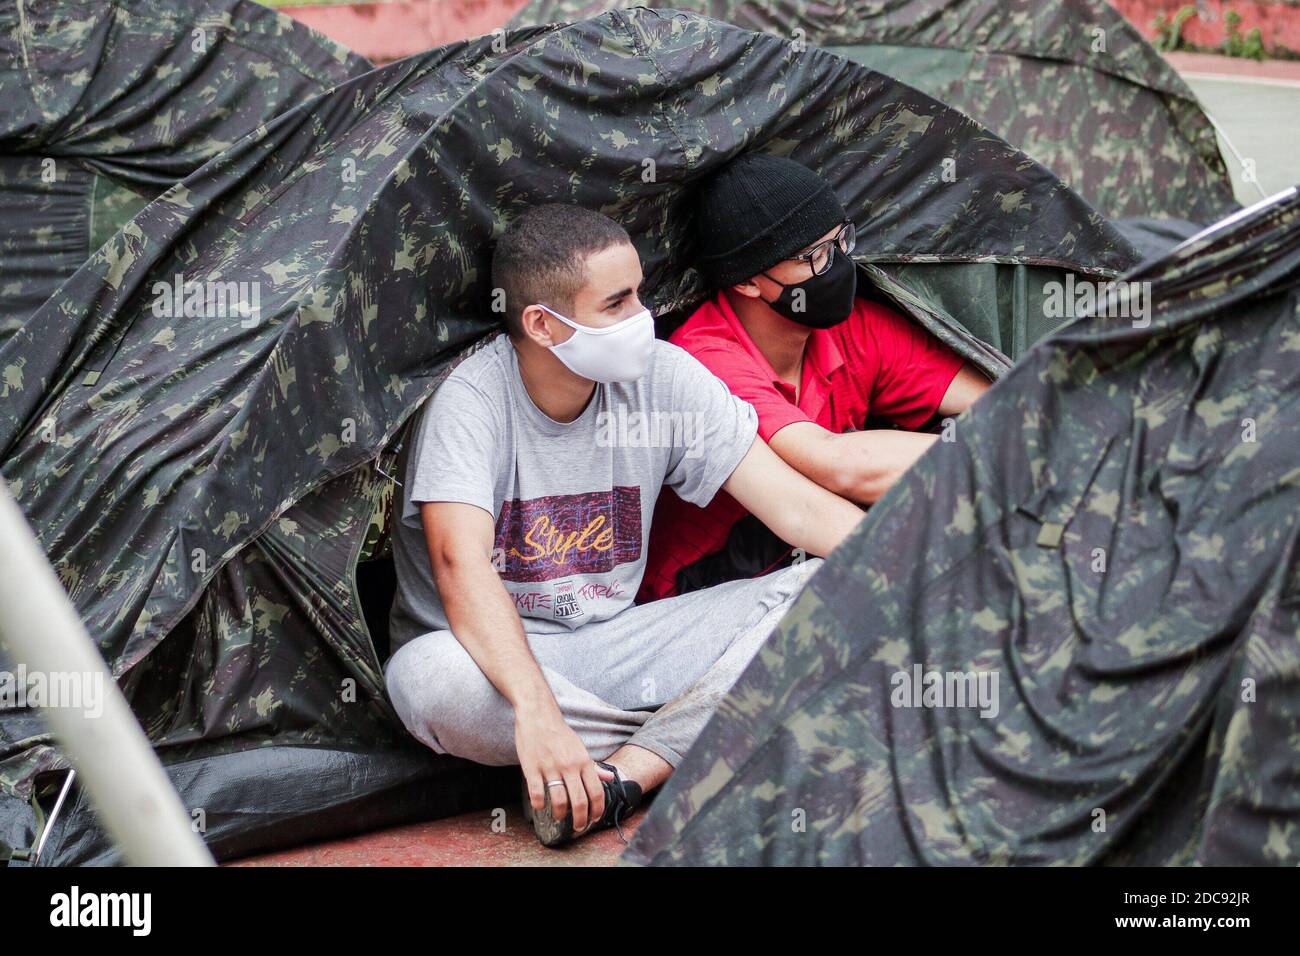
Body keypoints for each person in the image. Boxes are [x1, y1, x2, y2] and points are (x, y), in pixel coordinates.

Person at [384, 203, 864, 847]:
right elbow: (458, 565)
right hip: (486, 668)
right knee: (429, 679)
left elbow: (798, 508)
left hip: (613, 647)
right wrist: (538, 713)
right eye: (616, 304)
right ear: (543, 324)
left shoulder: (663, 378)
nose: (642, 317)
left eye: (640, 293)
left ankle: (626, 778)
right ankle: (732, 718)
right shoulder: (472, 401)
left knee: (833, 589)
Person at [641, 154, 991, 602]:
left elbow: (1000, 398)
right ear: (749, 282)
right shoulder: (704, 360)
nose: (840, 265)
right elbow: (835, 464)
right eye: (816, 256)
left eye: (841, 241)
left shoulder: (853, 329)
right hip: (707, 587)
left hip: (821, 551)